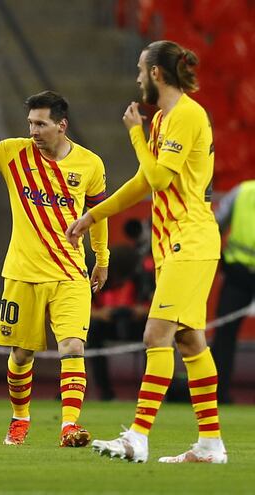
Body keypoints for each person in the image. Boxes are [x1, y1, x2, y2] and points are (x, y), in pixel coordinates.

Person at [66, 40, 228, 463]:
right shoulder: (162, 121)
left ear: (156, 73)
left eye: (140, 69)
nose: (137, 76)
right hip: (174, 243)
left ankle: (137, 436)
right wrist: (92, 215)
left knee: (156, 335)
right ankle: (210, 445)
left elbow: (157, 178)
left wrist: (135, 134)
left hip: (191, 240)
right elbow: (142, 182)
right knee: (191, 341)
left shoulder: (186, 115)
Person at [0, 79, 109, 447]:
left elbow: (99, 214)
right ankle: (20, 418)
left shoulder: (89, 164)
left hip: (70, 273)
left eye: (40, 124)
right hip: (22, 273)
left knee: (73, 347)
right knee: (21, 355)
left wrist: (101, 260)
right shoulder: (14, 153)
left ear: (61, 125)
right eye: (30, 124)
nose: (33, 131)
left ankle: (69, 426)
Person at [87, 224, 152, 400]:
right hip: (107, 323)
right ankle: (105, 392)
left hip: (136, 323)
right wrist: (99, 314)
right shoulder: (96, 276)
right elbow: (79, 308)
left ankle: (151, 393)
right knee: (92, 330)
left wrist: (141, 310)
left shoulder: (142, 276)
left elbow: (158, 306)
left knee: (156, 335)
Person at [211, 180, 255, 404]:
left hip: (237, 272)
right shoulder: (242, 192)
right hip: (238, 275)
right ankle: (218, 393)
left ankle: (219, 392)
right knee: (224, 334)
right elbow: (214, 225)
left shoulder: (241, 191)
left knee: (224, 335)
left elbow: (216, 223)